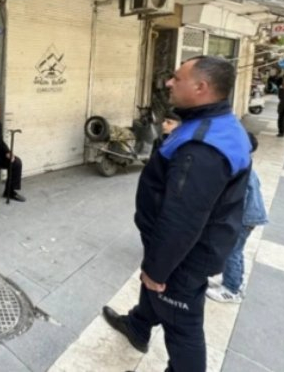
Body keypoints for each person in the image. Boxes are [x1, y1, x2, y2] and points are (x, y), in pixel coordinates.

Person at [101, 56, 252, 372]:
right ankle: (138, 325)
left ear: (201, 87)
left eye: (177, 78)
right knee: (153, 287)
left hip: (185, 254)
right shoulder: (214, 124)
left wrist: (157, 269)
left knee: (183, 324)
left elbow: (183, 218)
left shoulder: (203, 148)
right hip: (181, 246)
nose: (169, 83)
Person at [206, 132, 268, 303]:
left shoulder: (241, 168)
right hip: (250, 217)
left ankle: (231, 290)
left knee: (232, 251)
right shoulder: (246, 165)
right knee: (236, 251)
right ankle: (236, 283)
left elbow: (241, 197)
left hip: (244, 218)